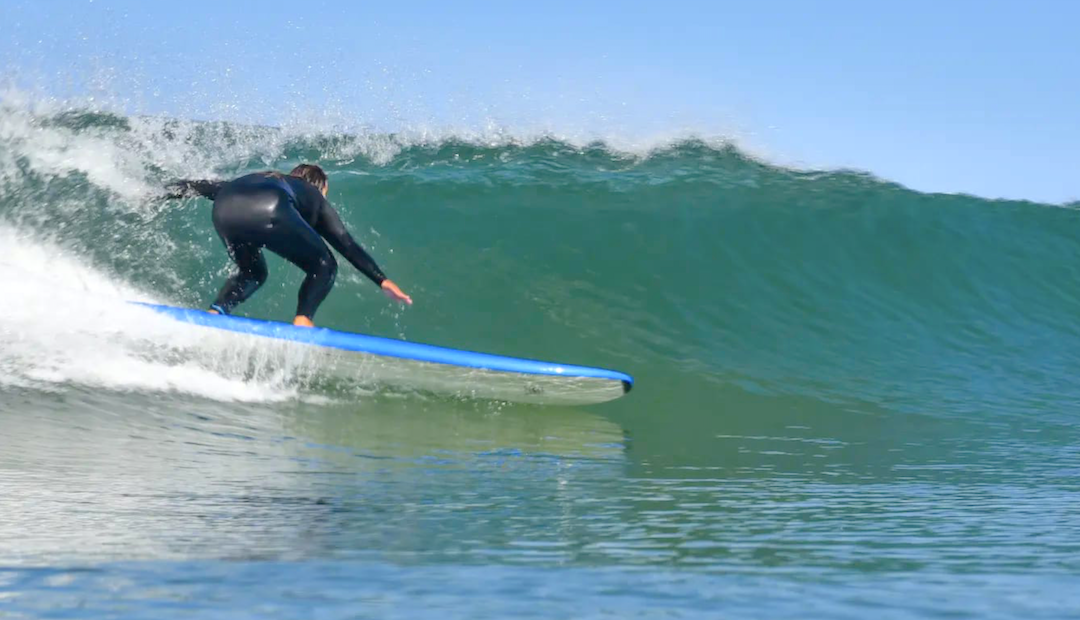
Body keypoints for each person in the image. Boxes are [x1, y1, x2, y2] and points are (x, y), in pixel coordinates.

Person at [166, 164, 411, 327]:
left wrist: (154, 193)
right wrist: (382, 280)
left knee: (253, 272)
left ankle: (215, 313)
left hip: (224, 209)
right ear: (319, 187)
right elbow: (344, 243)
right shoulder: (312, 194)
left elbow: (197, 186)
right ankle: (303, 321)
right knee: (324, 264)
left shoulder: (264, 178)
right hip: (271, 208)